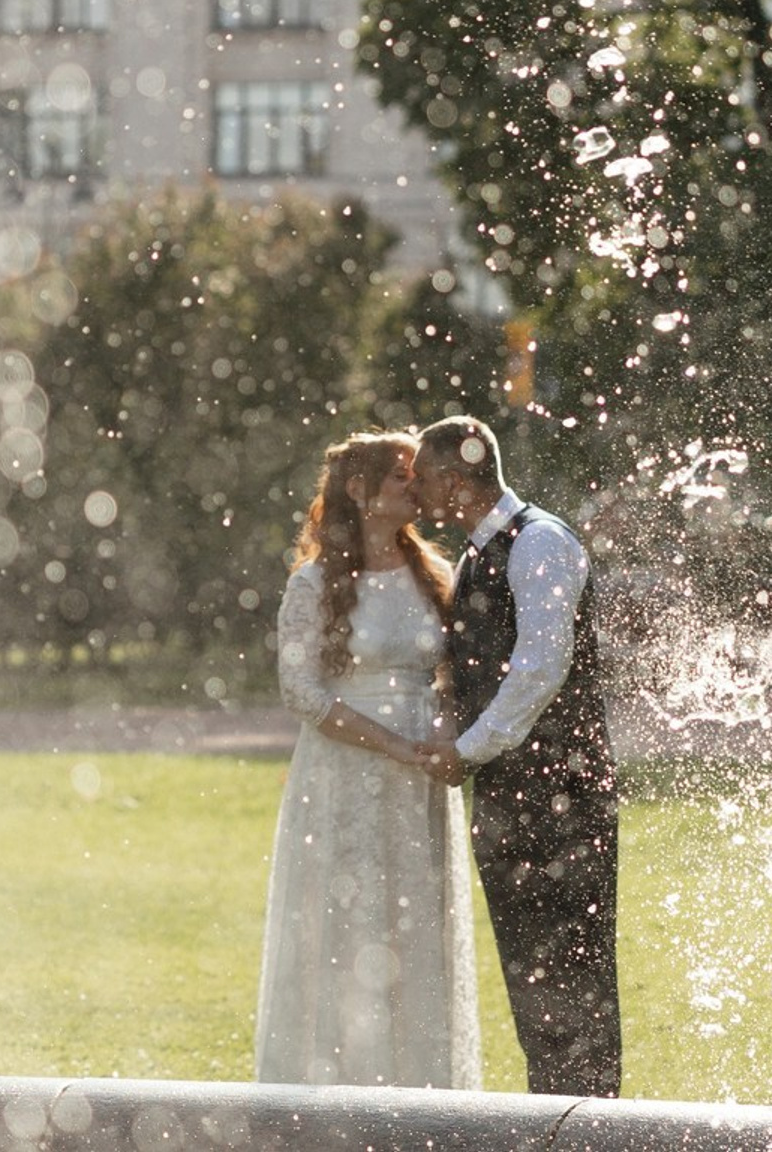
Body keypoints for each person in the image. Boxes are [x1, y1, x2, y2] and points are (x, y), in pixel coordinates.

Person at [256, 430, 481, 1089]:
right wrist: (392, 745)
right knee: (346, 924)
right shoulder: (314, 584)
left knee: (412, 926)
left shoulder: (433, 574)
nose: (417, 485)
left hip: (420, 779)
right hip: (344, 775)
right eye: (401, 475)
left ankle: (416, 1091)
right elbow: (301, 692)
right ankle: (335, 1089)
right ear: (358, 490)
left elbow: (451, 672)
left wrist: (444, 733)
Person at [412, 415, 621, 1098]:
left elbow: (540, 669)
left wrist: (465, 751)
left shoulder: (540, 542)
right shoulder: (474, 556)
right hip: (511, 797)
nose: (416, 491)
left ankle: (592, 1126)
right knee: (532, 976)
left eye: (423, 478)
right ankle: (552, 1116)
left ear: (454, 480)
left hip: (565, 794)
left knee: (578, 977)